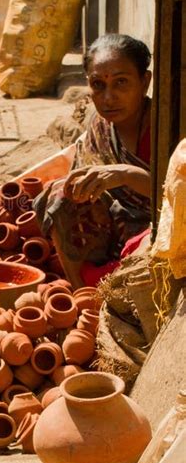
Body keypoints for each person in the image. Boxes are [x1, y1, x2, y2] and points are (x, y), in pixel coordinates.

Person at [33, 33, 152, 289]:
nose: (109, 98)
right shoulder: (100, 128)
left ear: (145, 81)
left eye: (121, 83)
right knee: (60, 194)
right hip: (111, 234)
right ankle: (83, 295)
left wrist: (128, 175)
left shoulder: (166, 128)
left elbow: (177, 195)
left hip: (160, 236)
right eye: (98, 85)